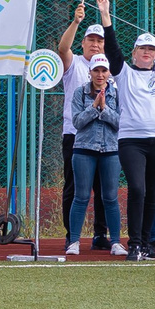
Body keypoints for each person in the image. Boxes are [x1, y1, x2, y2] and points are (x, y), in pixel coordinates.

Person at [55, 0, 115, 250]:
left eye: (100, 40)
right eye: (91, 39)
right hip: (75, 133)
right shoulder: (75, 63)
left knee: (105, 189)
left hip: (107, 135)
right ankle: (72, 234)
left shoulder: (111, 69)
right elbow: (62, 49)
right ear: (83, 42)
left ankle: (101, 234)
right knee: (75, 187)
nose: (95, 44)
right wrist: (76, 21)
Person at [114, 32, 155, 262]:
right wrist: (106, 17)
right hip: (131, 140)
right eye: (142, 49)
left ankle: (147, 244)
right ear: (134, 52)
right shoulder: (124, 73)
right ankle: (135, 244)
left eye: (151, 49)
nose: (147, 52)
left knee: (153, 194)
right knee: (137, 188)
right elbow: (112, 49)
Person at [65, 53, 120, 258]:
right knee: (81, 196)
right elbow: (77, 122)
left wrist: (104, 108)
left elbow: (119, 122)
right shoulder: (80, 93)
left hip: (110, 150)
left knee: (110, 198)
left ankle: (115, 241)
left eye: (103, 70)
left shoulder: (116, 93)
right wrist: (93, 106)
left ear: (109, 73)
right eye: (96, 70)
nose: (100, 74)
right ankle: (74, 241)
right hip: (83, 150)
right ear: (89, 72)